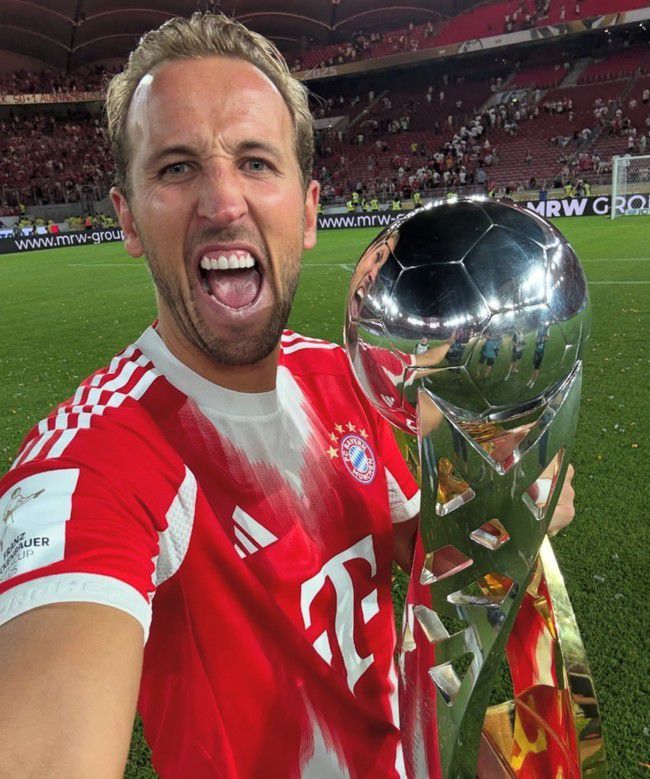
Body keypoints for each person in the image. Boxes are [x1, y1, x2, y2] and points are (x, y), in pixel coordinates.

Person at [0, 13, 576, 779]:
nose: (223, 201)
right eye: (176, 167)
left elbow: (419, 552)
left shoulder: (343, 376)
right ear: (128, 218)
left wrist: (500, 507)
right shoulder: (95, 460)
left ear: (306, 213)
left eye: (255, 161)